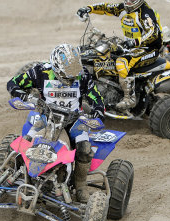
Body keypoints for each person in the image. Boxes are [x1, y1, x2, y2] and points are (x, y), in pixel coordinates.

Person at [7, 44, 105, 203]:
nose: (73, 79)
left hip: (73, 121)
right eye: (68, 76)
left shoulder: (83, 75)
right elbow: (13, 83)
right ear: (56, 68)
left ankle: (80, 185)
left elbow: (96, 98)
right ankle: (10, 173)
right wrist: (24, 98)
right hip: (46, 118)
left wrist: (98, 114)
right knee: (24, 142)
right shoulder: (40, 71)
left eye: (75, 75)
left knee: (85, 149)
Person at [77, 0, 163, 112]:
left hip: (149, 48)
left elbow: (154, 33)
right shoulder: (123, 8)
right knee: (107, 54)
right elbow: (106, 7)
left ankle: (130, 97)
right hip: (131, 46)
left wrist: (135, 42)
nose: (128, 1)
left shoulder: (145, 13)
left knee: (121, 62)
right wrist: (89, 8)